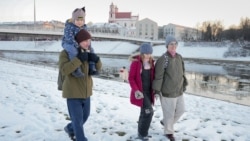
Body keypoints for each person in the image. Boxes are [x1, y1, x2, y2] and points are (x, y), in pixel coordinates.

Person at [59, 29, 102, 141]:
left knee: (84, 118)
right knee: (78, 121)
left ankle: (69, 128)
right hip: (73, 94)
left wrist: (96, 59)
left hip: (86, 93)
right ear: (78, 42)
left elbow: (98, 68)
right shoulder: (66, 53)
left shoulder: (89, 52)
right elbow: (64, 70)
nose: (87, 43)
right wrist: (78, 59)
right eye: (84, 41)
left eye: (89, 40)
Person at [152, 35, 188, 141]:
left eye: (175, 44)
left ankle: (166, 122)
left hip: (178, 91)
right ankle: (169, 132)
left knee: (181, 110)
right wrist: (157, 91)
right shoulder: (163, 59)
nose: (173, 46)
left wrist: (184, 84)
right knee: (169, 113)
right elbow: (158, 76)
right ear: (167, 45)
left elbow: (182, 73)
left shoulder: (179, 57)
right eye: (171, 44)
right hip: (167, 92)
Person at [128, 43, 155, 141]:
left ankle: (141, 132)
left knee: (144, 112)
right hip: (141, 93)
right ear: (142, 53)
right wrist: (136, 90)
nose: (148, 55)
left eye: (149, 53)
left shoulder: (152, 62)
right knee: (149, 112)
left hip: (149, 92)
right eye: (146, 53)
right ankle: (143, 134)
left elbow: (154, 77)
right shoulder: (136, 62)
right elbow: (131, 78)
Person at [62, 7, 97, 78]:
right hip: (68, 43)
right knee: (73, 51)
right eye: (77, 20)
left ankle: (92, 66)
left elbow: (87, 38)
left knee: (92, 50)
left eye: (81, 20)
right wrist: (77, 46)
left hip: (79, 44)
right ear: (73, 20)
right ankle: (76, 69)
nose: (79, 22)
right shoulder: (69, 27)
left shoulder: (84, 27)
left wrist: (89, 47)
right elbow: (69, 38)